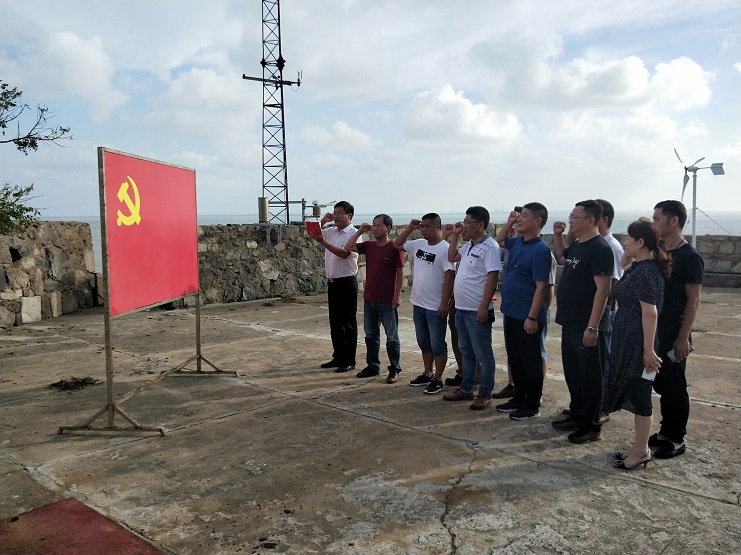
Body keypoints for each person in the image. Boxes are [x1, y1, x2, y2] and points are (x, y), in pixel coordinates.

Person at [605, 220, 671, 471]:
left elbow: (650, 314)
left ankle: (642, 451)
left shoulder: (645, 272)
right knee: (635, 392)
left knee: (641, 396)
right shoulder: (638, 267)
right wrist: (632, 250)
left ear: (641, 242)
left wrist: (648, 350)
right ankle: (638, 447)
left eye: (629, 239)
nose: (624, 242)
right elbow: (623, 262)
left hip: (639, 343)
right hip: (629, 339)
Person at [551, 200, 613, 443]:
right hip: (571, 321)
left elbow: (603, 290)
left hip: (588, 324)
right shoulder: (578, 244)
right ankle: (577, 415)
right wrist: (558, 236)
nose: (570, 220)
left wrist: (592, 326)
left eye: (574, 217)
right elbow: (561, 258)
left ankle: (590, 426)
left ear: (590, 220)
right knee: (574, 373)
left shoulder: (600, 248)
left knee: (591, 377)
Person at [650, 200, 703, 459]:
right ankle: (665, 431)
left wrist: (683, 338)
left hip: (675, 332)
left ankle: (676, 438)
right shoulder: (659, 252)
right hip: (655, 329)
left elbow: (693, 301)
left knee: (674, 385)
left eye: (657, 219)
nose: (654, 223)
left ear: (673, 221)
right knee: (660, 382)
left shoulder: (690, 258)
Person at [492, 203, 552, 420]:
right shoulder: (517, 242)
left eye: (524, 216)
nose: (519, 219)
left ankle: (532, 404)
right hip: (511, 312)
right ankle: (519, 397)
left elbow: (541, 288)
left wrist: (532, 317)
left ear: (537, 221)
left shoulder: (541, 250)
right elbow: (498, 240)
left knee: (531, 362)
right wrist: (510, 221)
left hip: (527, 316)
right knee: (515, 359)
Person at [443, 206, 501, 410]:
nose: (465, 225)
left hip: (477, 310)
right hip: (461, 308)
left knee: (483, 354)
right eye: (464, 221)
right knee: (466, 351)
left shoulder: (490, 247)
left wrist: (484, 307)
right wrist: (455, 235)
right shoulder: (469, 245)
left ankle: (485, 393)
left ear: (481, 224)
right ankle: (467, 388)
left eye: (468, 222)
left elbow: (492, 278)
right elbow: (451, 257)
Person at [394, 214, 455, 394]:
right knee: (424, 342)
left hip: (435, 306)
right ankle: (428, 373)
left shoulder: (445, 249)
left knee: (437, 344)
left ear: (438, 227)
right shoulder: (419, 244)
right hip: (418, 303)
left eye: (427, 226)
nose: (424, 230)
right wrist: (410, 229)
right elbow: (397, 244)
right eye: (422, 226)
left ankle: (438, 378)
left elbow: (449, 276)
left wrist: (445, 303)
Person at [345, 214, 405, 384]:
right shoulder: (369, 245)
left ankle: (394, 369)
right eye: (373, 225)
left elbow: (400, 271)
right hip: (370, 299)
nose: (375, 228)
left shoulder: (394, 247)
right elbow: (348, 247)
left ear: (388, 228)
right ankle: (373, 366)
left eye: (379, 225)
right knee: (371, 336)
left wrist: (397, 295)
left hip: (387, 301)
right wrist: (359, 231)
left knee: (392, 337)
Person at [310, 201, 360, 373]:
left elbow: (344, 253)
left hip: (346, 281)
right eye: (334, 213)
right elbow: (311, 232)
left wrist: (323, 243)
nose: (336, 216)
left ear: (349, 215)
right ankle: (338, 356)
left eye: (340, 213)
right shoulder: (331, 231)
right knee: (335, 322)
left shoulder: (353, 233)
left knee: (348, 322)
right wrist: (323, 221)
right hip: (333, 282)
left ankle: (349, 359)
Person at [595, 199, 625, 424]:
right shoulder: (597, 244)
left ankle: (603, 407)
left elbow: (612, 284)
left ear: (603, 220)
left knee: (604, 362)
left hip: (606, 313)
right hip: (596, 313)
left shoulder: (611, 247)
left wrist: (604, 312)